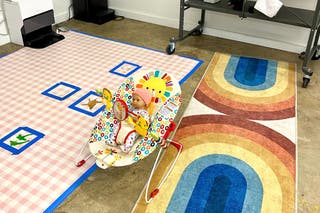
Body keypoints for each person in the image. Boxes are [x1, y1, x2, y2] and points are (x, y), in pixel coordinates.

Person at [113, 88, 152, 153]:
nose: (134, 101)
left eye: (137, 100)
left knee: (131, 136)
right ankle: (113, 140)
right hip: (125, 124)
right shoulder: (132, 108)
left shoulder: (144, 113)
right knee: (116, 127)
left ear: (145, 103)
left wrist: (138, 119)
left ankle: (126, 147)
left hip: (134, 128)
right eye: (133, 99)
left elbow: (146, 123)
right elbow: (125, 113)